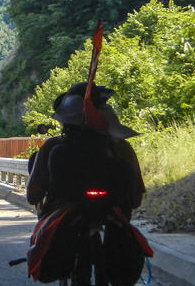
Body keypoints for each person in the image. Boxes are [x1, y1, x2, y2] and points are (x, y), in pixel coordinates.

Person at [26, 82, 144, 218]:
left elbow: (33, 195)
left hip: (64, 219)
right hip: (114, 220)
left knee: (42, 236)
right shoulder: (121, 147)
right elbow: (135, 199)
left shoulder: (52, 146)